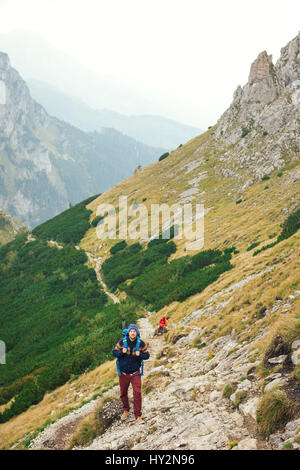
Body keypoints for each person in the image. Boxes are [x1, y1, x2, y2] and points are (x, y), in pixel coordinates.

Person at [112, 324, 150, 424]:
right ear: (128, 332)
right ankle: (126, 410)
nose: (133, 333)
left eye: (134, 331)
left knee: (137, 393)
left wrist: (140, 354)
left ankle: (138, 415)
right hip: (123, 373)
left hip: (135, 373)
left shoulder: (141, 343)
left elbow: (147, 355)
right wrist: (121, 353)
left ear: (136, 333)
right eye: (131, 331)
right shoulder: (122, 342)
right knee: (123, 393)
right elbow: (114, 353)